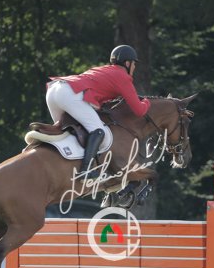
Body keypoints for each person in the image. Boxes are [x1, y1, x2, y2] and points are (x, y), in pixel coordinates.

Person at [46, 45, 151, 178]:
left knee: (66, 133)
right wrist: (147, 101)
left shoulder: (103, 69)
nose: (134, 67)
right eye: (134, 64)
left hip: (54, 90)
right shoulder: (123, 76)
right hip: (69, 94)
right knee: (99, 131)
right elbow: (140, 111)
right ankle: (85, 171)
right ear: (127, 63)